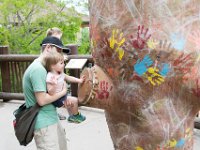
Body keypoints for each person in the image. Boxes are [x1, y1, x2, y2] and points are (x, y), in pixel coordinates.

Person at [23, 36, 69, 150]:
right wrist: (63, 91)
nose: (60, 55)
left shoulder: (44, 68)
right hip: (43, 124)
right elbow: (42, 100)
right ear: (48, 48)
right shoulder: (37, 69)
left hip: (51, 118)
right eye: (58, 51)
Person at [44, 51, 86, 123]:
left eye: (63, 62)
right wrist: (54, 84)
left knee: (72, 101)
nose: (63, 65)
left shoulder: (60, 73)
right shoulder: (50, 77)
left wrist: (79, 80)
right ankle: (74, 116)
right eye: (61, 63)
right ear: (52, 66)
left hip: (62, 95)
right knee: (74, 100)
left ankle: (73, 115)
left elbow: (69, 78)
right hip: (56, 99)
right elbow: (50, 92)